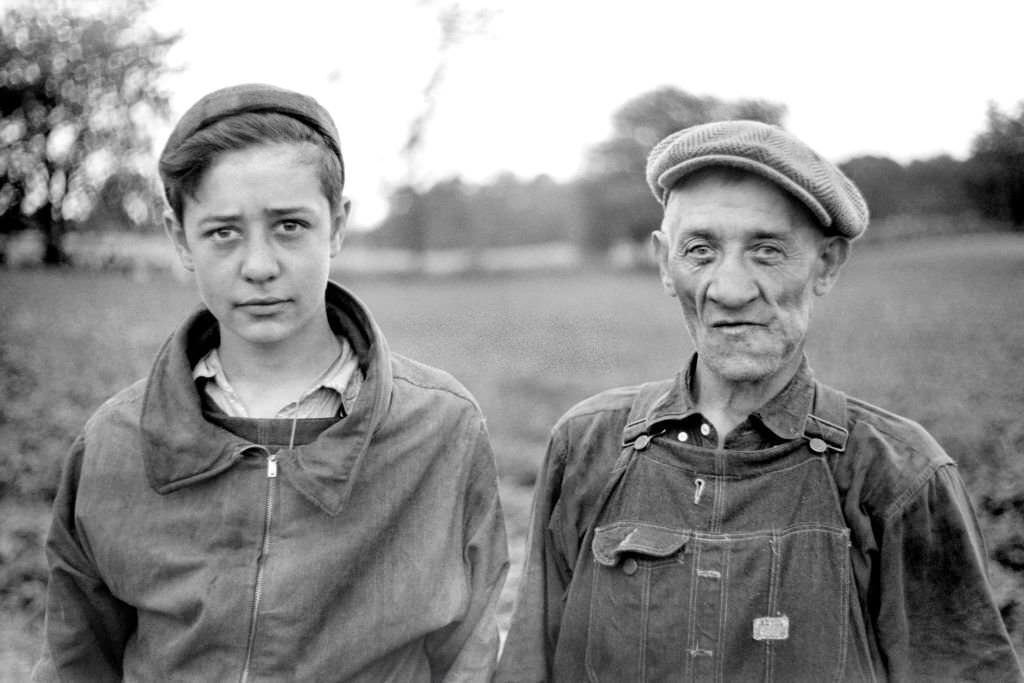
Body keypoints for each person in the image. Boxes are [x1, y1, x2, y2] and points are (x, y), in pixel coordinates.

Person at [497, 120, 1022, 682]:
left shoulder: (898, 477)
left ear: (827, 264)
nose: (729, 290)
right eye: (699, 251)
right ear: (664, 264)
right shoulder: (587, 446)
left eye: (767, 251)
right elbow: (531, 665)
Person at [33, 83, 508, 682]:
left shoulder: (442, 428)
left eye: (289, 226)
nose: (259, 266)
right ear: (180, 237)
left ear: (337, 226)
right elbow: (77, 660)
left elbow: (470, 655)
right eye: (223, 232)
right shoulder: (114, 441)